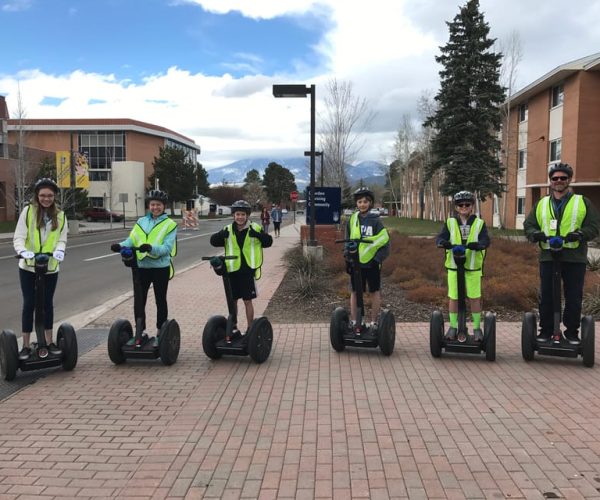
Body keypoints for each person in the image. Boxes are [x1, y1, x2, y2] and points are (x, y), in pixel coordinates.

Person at [523, 163, 600, 344]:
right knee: (547, 295)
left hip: (574, 257)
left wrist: (581, 234)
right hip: (549, 256)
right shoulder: (541, 203)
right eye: (555, 178)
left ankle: (572, 332)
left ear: (569, 180)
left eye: (562, 178)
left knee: (573, 296)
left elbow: (594, 225)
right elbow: (529, 225)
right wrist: (535, 234)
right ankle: (546, 331)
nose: (558, 181)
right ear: (550, 181)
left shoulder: (582, 202)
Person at [111, 190, 177, 346]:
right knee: (140, 301)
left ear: (164, 206)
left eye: (158, 205)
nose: (155, 207)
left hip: (160, 267)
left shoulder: (170, 224)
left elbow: (167, 248)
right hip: (142, 267)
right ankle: (140, 331)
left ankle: (161, 331)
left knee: (160, 300)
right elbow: (132, 240)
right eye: (153, 204)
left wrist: (150, 248)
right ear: (149, 205)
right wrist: (120, 246)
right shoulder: (141, 221)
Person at [13, 178, 68, 360]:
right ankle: (26, 345)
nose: (46, 198)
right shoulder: (28, 212)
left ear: (54, 196)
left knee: (46, 304)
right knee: (29, 304)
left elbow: (61, 239)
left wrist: (59, 251)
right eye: (43, 195)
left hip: (50, 267)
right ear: (37, 195)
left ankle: (49, 342)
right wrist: (24, 252)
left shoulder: (60, 215)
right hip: (28, 267)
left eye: (50, 195)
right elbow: (19, 237)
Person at [435, 191, 490, 342]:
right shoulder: (450, 223)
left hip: (472, 268)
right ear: (456, 207)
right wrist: (442, 243)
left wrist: (479, 245)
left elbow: (486, 240)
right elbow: (440, 237)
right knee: (453, 297)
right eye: (461, 205)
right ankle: (453, 327)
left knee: (474, 297)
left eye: (467, 204)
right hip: (454, 266)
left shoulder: (479, 223)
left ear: (472, 206)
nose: (464, 207)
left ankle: (477, 328)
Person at [210, 200, 273, 331]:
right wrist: (220, 235)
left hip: (247, 271)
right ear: (234, 215)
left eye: (243, 214)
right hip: (232, 270)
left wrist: (258, 235)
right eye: (237, 214)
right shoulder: (227, 229)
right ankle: (233, 326)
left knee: (247, 301)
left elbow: (268, 242)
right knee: (233, 301)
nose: (240, 217)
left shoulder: (255, 228)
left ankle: (251, 329)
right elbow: (213, 242)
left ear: (247, 215)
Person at [345, 187, 390, 330]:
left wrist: (377, 259)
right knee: (355, 291)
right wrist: (347, 257)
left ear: (370, 203)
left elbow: (385, 242)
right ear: (356, 204)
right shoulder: (352, 220)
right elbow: (347, 240)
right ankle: (355, 321)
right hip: (355, 263)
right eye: (359, 202)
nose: (362, 204)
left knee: (374, 291)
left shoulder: (376, 221)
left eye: (365, 202)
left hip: (372, 264)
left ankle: (374, 322)